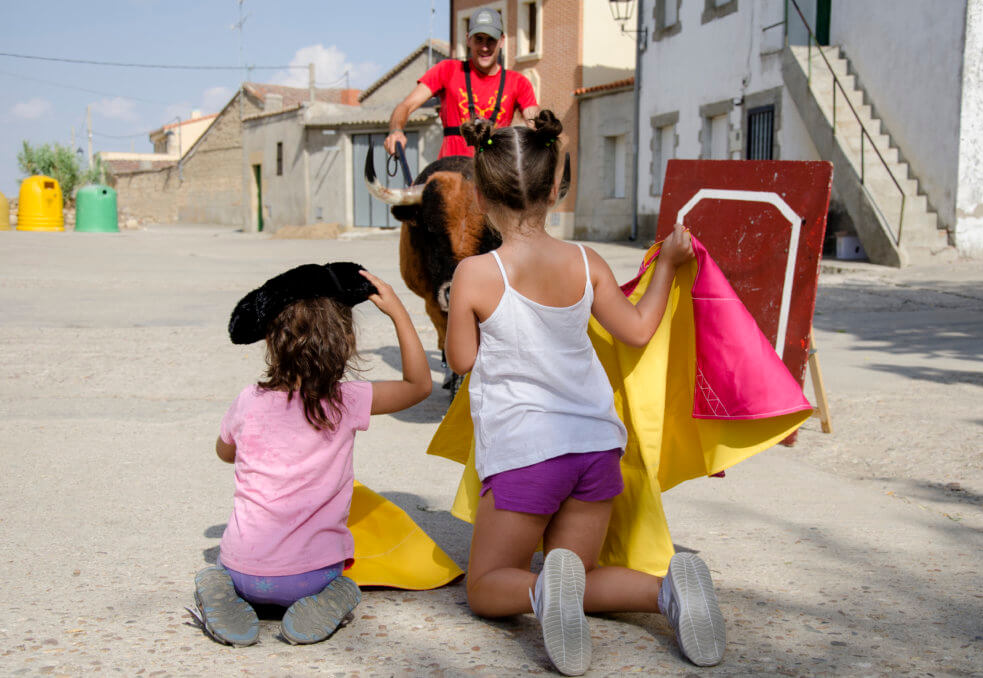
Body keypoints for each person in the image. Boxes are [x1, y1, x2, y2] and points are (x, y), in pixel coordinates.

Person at [444, 111, 725, 675]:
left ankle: (541, 596)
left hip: (527, 452)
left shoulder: (476, 273)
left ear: (478, 191)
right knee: (581, 575)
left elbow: (462, 362)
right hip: (596, 450)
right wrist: (668, 264)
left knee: (486, 587)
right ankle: (665, 591)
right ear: (556, 188)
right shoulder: (586, 261)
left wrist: (456, 304)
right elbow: (640, 329)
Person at [191, 262, 432, 647]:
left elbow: (224, 453)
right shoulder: (346, 400)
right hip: (313, 575)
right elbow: (419, 385)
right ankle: (331, 598)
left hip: (244, 571)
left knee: (220, 570)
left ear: (272, 341)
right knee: (345, 580)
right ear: (344, 342)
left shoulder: (248, 401)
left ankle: (223, 591)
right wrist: (398, 312)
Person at [384, 7, 539, 159]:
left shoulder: (519, 82)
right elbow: (405, 106)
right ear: (468, 39)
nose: (485, 47)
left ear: (502, 41)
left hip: (494, 177)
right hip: (450, 175)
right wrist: (396, 131)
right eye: (479, 39)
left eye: (491, 39)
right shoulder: (447, 70)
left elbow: (537, 126)